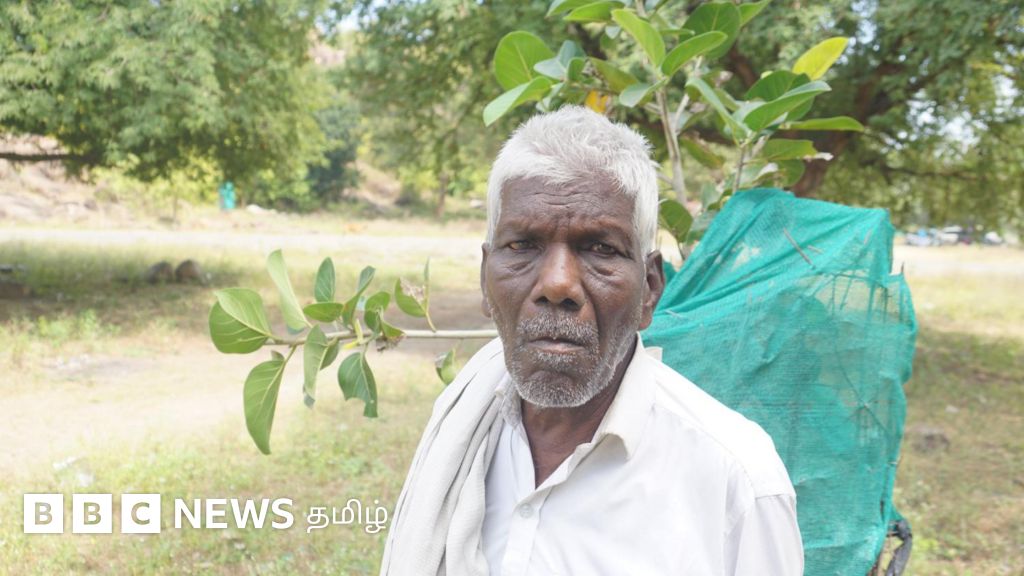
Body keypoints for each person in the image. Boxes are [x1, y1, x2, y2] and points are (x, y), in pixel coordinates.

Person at [381, 106, 803, 576]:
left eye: (600, 248)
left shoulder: (738, 481)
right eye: (522, 246)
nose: (557, 285)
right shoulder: (462, 417)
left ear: (649, 289)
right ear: (486, 280)